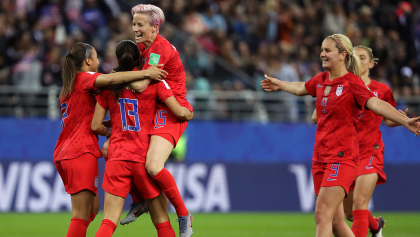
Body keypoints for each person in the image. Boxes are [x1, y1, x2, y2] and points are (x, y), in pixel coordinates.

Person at [261, 34, 420, 237]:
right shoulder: (321, 80)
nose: (322, 54)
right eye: (322, 50)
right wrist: (280, 85)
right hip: (320, 158)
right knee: (336, 222)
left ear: (342, 54)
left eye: (328, 51)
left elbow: (377, 104)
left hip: (342, 158)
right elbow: (302, 87)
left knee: (322, 214)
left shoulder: (352, 83)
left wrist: (405, 120)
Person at [53, 42, 167, 237]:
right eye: (96, 56)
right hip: (80, 152)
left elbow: (85, 119)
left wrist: (114, 124)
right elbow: (115, 78)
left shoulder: (69, 87)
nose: (98, 60)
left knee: (92, 209)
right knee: (80, 215)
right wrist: (146, 73)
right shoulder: (84, 78)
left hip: (64, 154)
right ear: (88, 61)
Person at [92, 40, 193, 237]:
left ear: (117, 59)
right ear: (141, 59)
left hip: (117, 157)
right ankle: (162, 207)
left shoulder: (108, 85)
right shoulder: (155, 83)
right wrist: (188, 113)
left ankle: (138, 200)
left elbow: (95, 125)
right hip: (142, 157)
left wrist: (113, 132)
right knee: (162, 222)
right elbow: (178, 111)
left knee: (108, 222)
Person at [312, 45, 408, 237]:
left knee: (359, 202)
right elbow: (316, 116)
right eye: (355, 57)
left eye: (363, 57)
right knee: (349, 214)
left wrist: (402, 120)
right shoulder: (342, 85)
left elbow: (388, 119)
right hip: (347, 153)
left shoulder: (382, 90)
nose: (358, 60)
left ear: (371, 63)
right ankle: (376, 225)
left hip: (371, 151)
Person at [121, 4, 194, 237]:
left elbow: (142, 85)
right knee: (112, 149)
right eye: (134, 24)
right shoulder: (143, 47)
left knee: (153, 166)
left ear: (155, 28)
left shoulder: (158, 49)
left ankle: (183, 214)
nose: (135, 29)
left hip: (170, 109)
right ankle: (140, 199)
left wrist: (115, 77)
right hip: (152, 108)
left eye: (140, 24)